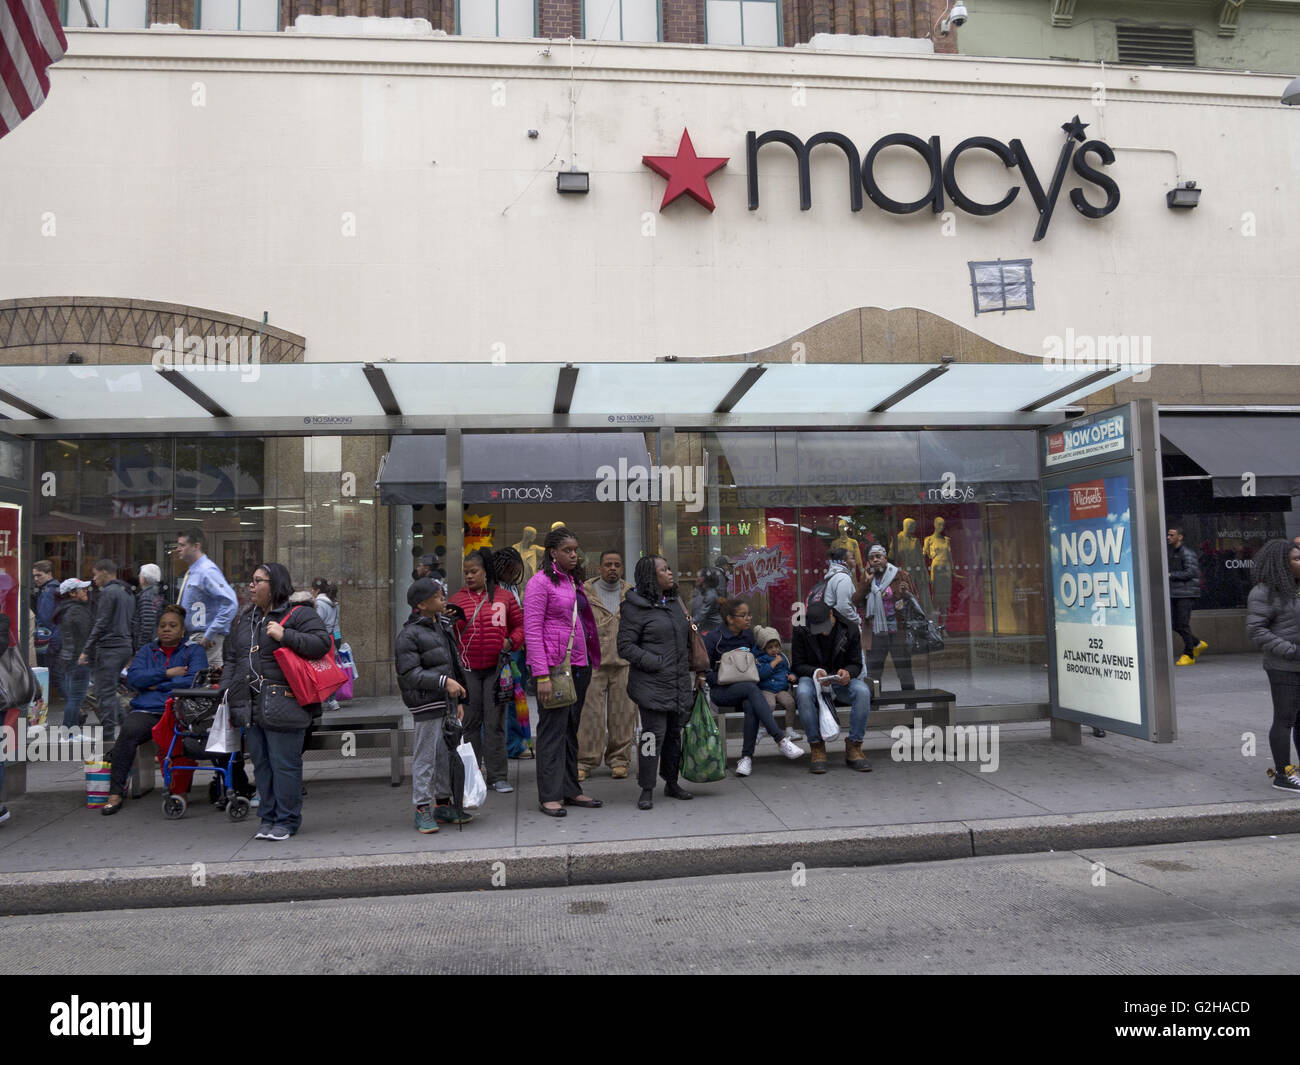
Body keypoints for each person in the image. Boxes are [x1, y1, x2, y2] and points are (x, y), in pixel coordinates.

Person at [220, 562, 331, 842]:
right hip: (251, 705)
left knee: (285, 764)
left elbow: (322, 644)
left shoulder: (299, 614)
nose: (252, 585)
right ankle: (267, 818)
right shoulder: (247, 619)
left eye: (259, 581)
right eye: (252, 580)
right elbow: (233, 658)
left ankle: (286, 820)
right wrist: (227, 693)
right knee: (262, 765)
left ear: (276, 585)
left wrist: (285, 636)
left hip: (286, 702)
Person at [523, 526, 603, 817]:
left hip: (579, 666)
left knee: (571, 730)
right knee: (552, 731)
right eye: (567, 550)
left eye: (576, 550)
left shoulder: (573, 581)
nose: (574, 554)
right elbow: (532, 630)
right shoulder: (539, 583)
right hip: (555, 668)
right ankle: (550, 795)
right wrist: (542, 675)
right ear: (552, 552)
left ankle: (571, 789)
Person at [100, 604, 207, 815]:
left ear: (182, 631)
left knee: (182, 739)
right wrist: (168, 674)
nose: (166, 629)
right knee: (128, 733)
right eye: (162, 626)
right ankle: (115, 793)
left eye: (172, 626)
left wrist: (155, 685)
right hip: (147, 710)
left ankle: (180, 790)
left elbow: (193, 681)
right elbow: (134, 679)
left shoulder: (193, 650)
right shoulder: (147, 650)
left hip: (180, 709)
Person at [396, 576, 473, 832]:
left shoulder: (442, 625)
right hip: (426, 704)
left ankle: (442, 804)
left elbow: (454, 661)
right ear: (422, 604)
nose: (443, 596)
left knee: (444, 756)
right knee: (425, 757)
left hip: (447, 701)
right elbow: (410, 674)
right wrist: (443, 682)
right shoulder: (408, 635)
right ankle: (422, 808)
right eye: (437, 594)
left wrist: (459, 697)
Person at [450, 548, 524, 795]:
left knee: (496, 724)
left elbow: (519, 626)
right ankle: (473, 775)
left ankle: (498, 776)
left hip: (497, 670)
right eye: (466, 572)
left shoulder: (505, 598)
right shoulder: (456, 600)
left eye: (474, 571)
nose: (469, 576)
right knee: (470, 723)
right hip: (468, 671)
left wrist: (511, 643)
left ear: (486, 572)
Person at [705, 597, 803, 776]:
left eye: (749, 614)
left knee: (751, 702)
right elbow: (704, 669)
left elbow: (759, 660)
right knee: (751, 689)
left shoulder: (748, 636)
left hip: (747, 691)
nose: (749, 618)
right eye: (743, 615)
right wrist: (718, 679)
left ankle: (746, 758)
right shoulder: (714, 638)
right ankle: (780, 740)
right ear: (730, 619)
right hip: (722, 691)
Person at [792, 600, 873, 774]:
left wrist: (848, 672)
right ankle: (816, 746)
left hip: (839, 679)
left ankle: (854, 745)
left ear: (831, 614)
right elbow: (797, 665)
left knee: (863, 692)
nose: (822, 632)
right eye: (818, 628)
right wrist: (816, 672)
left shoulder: (849, 628)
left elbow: (856, 663)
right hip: (812, 677)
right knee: (803, 693)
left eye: (825, 626)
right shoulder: (801, 629)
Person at [1246, 539, 1300, 792]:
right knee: (1285, 719)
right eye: (1296, 559)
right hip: (1283, 666)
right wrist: (1291, 651)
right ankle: (1282, 774)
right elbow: (1256, 631)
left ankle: (1295, 772)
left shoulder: (1297, 589)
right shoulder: (1264, 592)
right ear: (1281, 564)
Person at [578, 550, 636, 782]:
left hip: (624, 663)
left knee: (623, 714)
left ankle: (619, 760)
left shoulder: (631, 594)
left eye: (617, 565)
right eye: (608, 564)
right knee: (589, 716)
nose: (612, 568)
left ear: (621, 569)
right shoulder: (583, 593)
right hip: (593, 663)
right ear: (599, 568)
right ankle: (585, 761)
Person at [853, 543, 919, 708]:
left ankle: (911, 709)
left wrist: (906, 594)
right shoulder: (868, 576)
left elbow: (916, 601)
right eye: (871, 558)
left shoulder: (901, 575)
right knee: (874, 673)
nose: (875, 560)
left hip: (898, 632)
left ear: (885, 558)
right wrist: (865, 585)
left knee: (904, 671)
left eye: (878, 556)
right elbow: (856, 602)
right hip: (875, 632)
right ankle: (875, 708)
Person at [78, 558, 135, 743]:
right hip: (124, 646)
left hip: (110, 647)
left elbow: (101, 622)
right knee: (110, 691)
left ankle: (109, 739)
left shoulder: (109, 592)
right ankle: (126, 730)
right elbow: (133, 622)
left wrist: (86, 649)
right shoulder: (127, 592)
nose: (94, 579)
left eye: (95, 574)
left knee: (105, 694)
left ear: (104, 572)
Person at [174, 528, 239, 675]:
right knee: (197, 683)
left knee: (204, 684)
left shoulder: (206, 571)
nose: (178, 549)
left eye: (182, 545)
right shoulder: (194, 571)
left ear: (196, 546)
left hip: (205, 638)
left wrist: (211, 633)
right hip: (196, 636)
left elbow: (230, 602)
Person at [493, 547, 534, 760]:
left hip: (516, 649)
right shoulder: (492, 589)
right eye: (510, 571)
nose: (513, 575)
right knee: (501, 700)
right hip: (500, 650)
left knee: (517, 698)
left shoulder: (513, 588)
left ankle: (516, 744)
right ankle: (502, 745)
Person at [54, 579, 93, 730]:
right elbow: (87, 636)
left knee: (74, 697)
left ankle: (71, 731)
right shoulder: (77, 610)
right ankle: (69, 732)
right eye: (82, 589)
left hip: (69, 657)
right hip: (79, 658)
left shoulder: (66, 609)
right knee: (76, 697)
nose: (86, 591)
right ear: (72, 593)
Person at [1167, 526, 1206, 666]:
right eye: (1168, 535)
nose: (1168, 537)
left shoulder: (1187, 553)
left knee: (1182, 624)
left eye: (1172, 535)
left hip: (1186, 593)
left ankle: (1189, 654)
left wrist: (1170, 575)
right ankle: (1196, 644)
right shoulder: (1173, 552)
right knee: (1174, 624)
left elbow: (1191, 572)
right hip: (1176, 593)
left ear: (1180, 537)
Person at [753, 625, 798, 737]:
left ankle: (789, 728)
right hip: (766, 689)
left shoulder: (782, 658)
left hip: (781, 688)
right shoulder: (760, 659)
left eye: (777, 646)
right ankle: (763, 728)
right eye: (770, 647)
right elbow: (761, 674)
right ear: (764, 648)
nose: (774, 650)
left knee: (790, 703)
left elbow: (787, 670)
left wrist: (792, 675)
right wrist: (773, 663)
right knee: (770, 705)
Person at [311, 578, 343, 713]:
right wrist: (337, 641)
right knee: (331, 669)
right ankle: (332, 700)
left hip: (321, 638)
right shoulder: (334, 603)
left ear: (317, 590)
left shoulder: (319, 603)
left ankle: (320, 698)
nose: (311, 591)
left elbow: (316, 622)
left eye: (312, 589)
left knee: (318, 669)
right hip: (333, 637)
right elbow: (336, 624)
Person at [32, 560, 60, 696]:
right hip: (55, 638)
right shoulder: (53, 588)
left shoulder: (48, 591)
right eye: (34, 576)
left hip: (49, 639)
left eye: (39, 575)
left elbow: (45, 618)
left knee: (50, 674)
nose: (36, 579)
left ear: (49, 574)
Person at [822, 546, 862, 630]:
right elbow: (843, 607)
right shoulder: (843, 578)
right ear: (845, 561)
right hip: (841, 628)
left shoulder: (833, 576)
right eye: (852, 558)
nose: (855, 561)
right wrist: (858, 620)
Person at [133, 563, 165, 654]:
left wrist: (140, 647)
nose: (138, 576)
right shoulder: (158, 593)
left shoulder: (147, 596)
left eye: (140, 575)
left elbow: (147, 624)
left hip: (149, 645)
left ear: (144, 579)